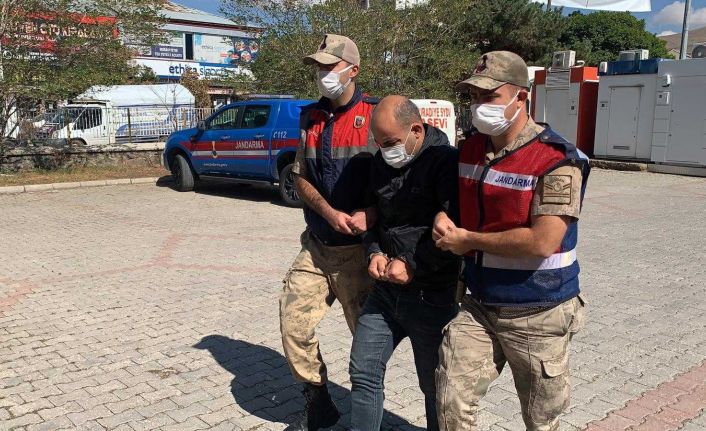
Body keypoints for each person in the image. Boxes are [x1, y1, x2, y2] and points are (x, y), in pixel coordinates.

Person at [433, 51, 590, 431]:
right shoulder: (472, 148)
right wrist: (442, 217)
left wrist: (468, 239)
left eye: (490, 96)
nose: (478, 106)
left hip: (539, 310)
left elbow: (543, 241)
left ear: (521, 97)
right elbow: (459, 203)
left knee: (541, 420)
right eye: (474, 97)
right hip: (480, 304)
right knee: (451, 403)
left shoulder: (557, 159)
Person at [279, 34, 378, 431]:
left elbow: (401, 184)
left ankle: (369, 413)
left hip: (359, 254)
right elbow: (300, 177)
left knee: (367, 347)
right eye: (318, 67)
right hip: (318, 247)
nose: (322, 74)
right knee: (293, 323)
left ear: (353, 70)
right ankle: (318, 400)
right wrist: (328, 211)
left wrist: (371, 213)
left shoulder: (376, 117)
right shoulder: (311, 117)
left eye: (329, 66)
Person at [348, 95, 461, 431]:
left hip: (431, 295)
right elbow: (372, 217)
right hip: (384, 293)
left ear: (416, 130)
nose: (385, 150)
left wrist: (413, 264)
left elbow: (454, 232)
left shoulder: (446, 163)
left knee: (434, 385)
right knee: (363, 373)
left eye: (391, 142)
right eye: (379, 143)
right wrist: (373, 252)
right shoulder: (380, 163)